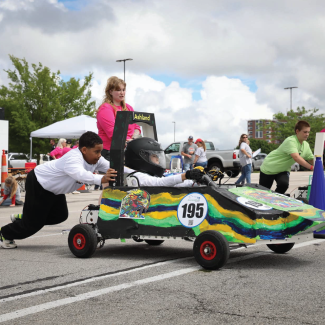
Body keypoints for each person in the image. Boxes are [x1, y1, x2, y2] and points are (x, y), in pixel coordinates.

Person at [0, 131, 117, 249]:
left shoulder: (96, 159)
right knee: (33, 225)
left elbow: (115, 167)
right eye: (96, 151)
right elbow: (80, 175)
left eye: (100, 151)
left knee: (60, 215)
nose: (99, 155)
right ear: (84, 150)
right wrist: (102, 178)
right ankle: (4, 233)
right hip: (39, 183)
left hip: (55, 189)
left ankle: (25, 217)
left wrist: (135, 172)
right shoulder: (73, 158)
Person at [259, 120, 314, 194]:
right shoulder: (291, 141)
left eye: (308, 132)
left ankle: (275, 200)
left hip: (283, 169)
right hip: (270, 167)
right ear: (297, 131)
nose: (307, 134)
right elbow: (296, 157)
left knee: (283, 185)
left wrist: (318, 166)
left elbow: (311, 158)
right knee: (263, 192)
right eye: (305, 132)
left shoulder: (306, 145)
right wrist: (311, 167)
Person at [124, 137, 204, 187]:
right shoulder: (138, 176)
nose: (158, 159)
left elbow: (171, 182)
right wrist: (186, 175)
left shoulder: (151, 174)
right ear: (142, 158)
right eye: (154, 156)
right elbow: (160, 183)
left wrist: (198, 182)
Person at [96, 76, 141, 161]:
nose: (122, 93)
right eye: (118, 90)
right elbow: (112, 132)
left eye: (123, 90)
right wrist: (128, 142)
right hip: (110, 152)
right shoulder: (105, 108)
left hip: (128, 150)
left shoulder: (129, 108)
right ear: (110, 91)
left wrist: (133, 140)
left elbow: (137, 128)